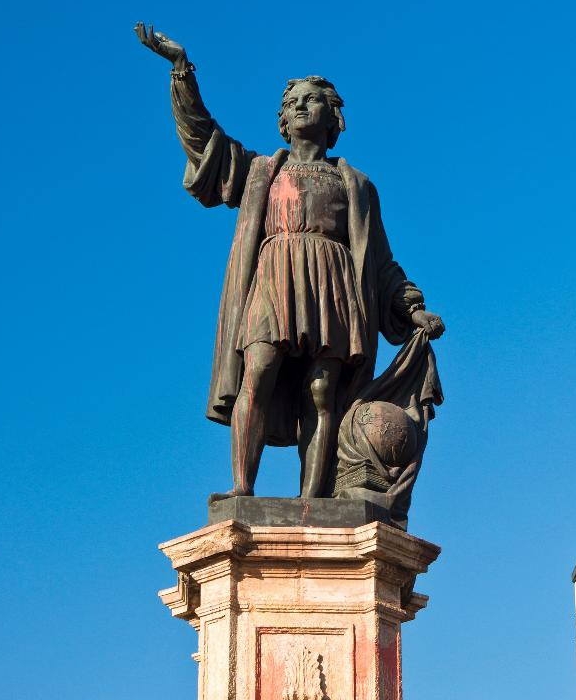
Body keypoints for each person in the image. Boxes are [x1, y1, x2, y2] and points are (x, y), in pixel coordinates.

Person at [135, 24, 445, 498]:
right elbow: (204, 141)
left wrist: (411, 307)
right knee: (256, 372)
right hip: (275, 276)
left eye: (311, 99)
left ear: (333, 116)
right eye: (292, 101)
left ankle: (311, 499)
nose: (300, 105)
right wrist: (182, 72)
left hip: (334, 287)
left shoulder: (356, 185)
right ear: (282, 118)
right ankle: (242, 487)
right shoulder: (262, 170)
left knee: (323, 394)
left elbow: (381, 262)